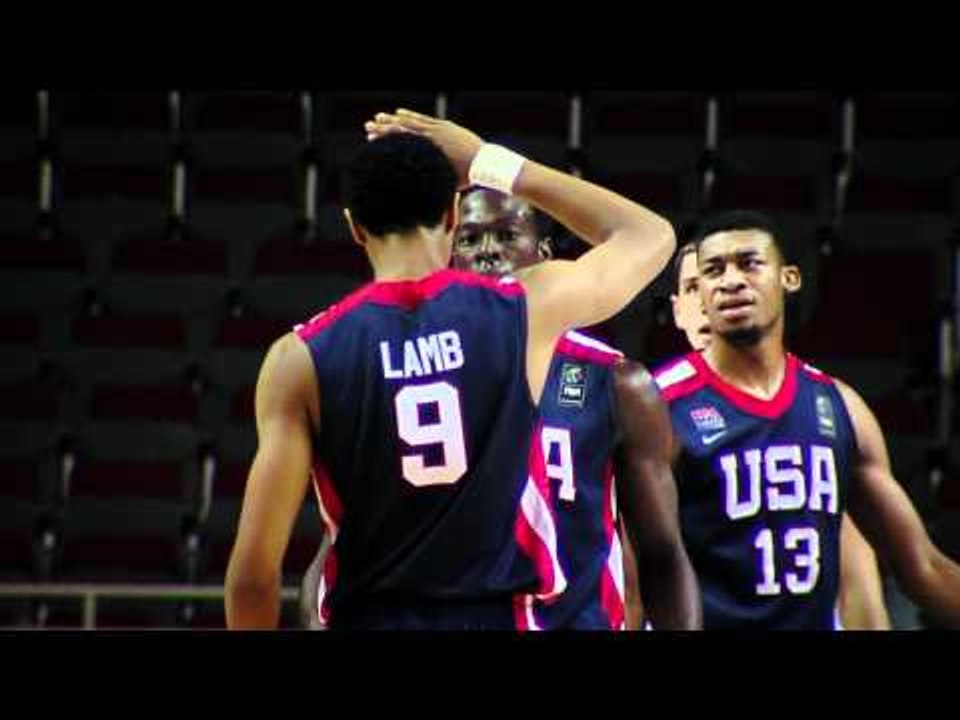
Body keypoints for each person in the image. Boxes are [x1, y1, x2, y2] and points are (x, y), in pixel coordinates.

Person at [226, 109, 677, 629]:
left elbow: (253, 578)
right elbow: (650, 236)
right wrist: (489, 162)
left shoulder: (299, 358)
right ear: (451, 214)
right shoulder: (523, 311)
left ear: (354, 227)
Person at [299, 187, 700, 631]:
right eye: (469, 239)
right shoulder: (415, 383)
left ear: (545, 255)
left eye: (507, 235)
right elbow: (340, 546)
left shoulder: (617, 382)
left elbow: (662, 553)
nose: (487, 252)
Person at [667, 239, 891, 629]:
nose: (710, 299)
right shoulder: (652, 407)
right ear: (677, 310)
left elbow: (860, 589)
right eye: (693, 287)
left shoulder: (824, 408)